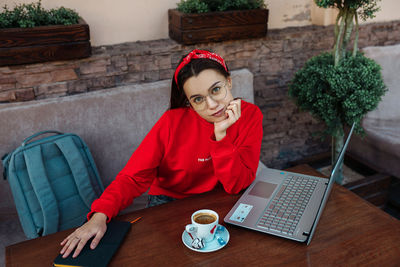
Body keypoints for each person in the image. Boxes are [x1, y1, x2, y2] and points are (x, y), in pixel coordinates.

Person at [60, 49, 263, 258]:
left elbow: (238, 184)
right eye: (198, 99)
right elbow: (133, 177)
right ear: (189, 102)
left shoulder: (250, 116)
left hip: (217, 198)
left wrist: (221, 136)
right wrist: (99, 216)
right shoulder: (171, 122)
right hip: (168, 201)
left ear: (229, 82)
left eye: (216, 89)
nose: (212, 105)